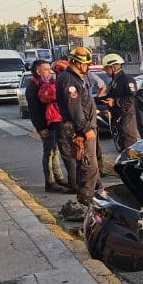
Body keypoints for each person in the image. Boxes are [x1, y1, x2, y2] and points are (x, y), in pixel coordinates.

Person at [55, 46, 100, 214]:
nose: (88, 67)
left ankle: (90, 196)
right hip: (80, 130)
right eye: (87, 64)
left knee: (90, 166)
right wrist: (85, 128)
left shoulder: (76, 78)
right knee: (88, 166)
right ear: (79, 63)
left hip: (84, 128)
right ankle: (85, 201)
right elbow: (75, 109)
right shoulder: (69, 80)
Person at [24, 60, 69, 193]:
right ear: (38, 71)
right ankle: (49, 182)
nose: (50, 72)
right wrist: (41, 128)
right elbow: (34, 110)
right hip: (45, 124)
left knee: (56, 151)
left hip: (54, 121)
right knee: (49, 152)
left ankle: (59, 177)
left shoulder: (48, 82)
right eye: (46, 70)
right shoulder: (33, 86)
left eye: (50, 69)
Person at [101, 53, 139, 150]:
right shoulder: (114, 82)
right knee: (122, 148)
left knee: (129, 150)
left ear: (113, 67)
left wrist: (115, 102)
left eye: (106, 68)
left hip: (127, 120)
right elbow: (109, 98)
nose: (105, 71)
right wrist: (93, 100)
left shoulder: (127, 80)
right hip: (118, 121)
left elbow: (132, 98)